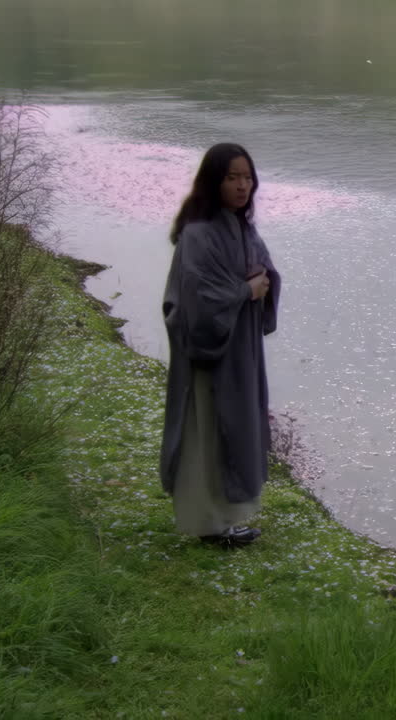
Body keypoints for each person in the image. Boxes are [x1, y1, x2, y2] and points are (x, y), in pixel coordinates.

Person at [159, 143, 280, 547]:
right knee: (209, 433)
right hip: (209, 356)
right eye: (233, 177)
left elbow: (262, 270)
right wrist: (245, 291)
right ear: (214, 181)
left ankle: (228, 520)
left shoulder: (242, 226)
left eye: (248, 177)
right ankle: (208, 523)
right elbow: (197, 300)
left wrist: (264, 282)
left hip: (239, 351)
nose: (243, 186)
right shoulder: (198, 234)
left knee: (237, 429)